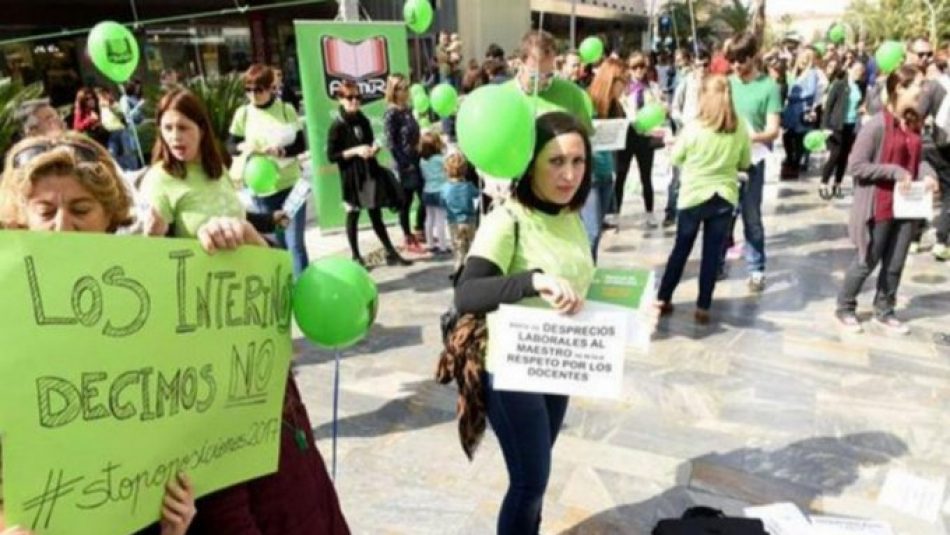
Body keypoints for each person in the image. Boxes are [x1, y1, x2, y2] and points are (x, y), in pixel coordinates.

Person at [0, 132, 211, 535]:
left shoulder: (147, 307)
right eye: (45, 211)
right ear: (20, 218)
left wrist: (173, 522)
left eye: (81, 209)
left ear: (110, 217)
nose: (62, 227)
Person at [454, 111, 594, 535]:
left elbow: (582, 281)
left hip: (558, 363)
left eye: (578, 161)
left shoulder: (571, 216)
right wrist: (532, 280)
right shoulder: (507, 219)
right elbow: (467, 293)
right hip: (511, 369)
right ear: (531, 162)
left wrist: (635, 310)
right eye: (555, 161)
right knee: (529, 480)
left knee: (538, 476)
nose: (568, 174)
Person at [836, 66, 938, 335]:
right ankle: (845, 306)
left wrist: (928, 176)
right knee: (866, 260)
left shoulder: (915, 122)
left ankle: (885, 309)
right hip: (878, 205)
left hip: (908, 205)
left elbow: (921, 159)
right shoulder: (876, 125)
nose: (923, 90)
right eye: (918, 84)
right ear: (899, 88)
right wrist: (893, 171)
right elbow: (856, 166)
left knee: (895, 263)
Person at [656, 75, 751, 324]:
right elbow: (745, 162)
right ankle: (703, 306)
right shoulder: (739, 126)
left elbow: (676, 158)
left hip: (693, 195)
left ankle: (664, 297)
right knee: (712, 254)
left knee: (681, 250)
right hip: (724, 196)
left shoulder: (694, 126)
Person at [228, 63, 311, 277]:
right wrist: (243, 147)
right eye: (248, 89)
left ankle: (303, 290)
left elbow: (301, 144)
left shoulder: (286, 109)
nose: (253, 95)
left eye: (258, 89)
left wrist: (281, 151)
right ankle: (283, 290)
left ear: (270, 88)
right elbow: (230, 144)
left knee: (295, 245)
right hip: (262, 190)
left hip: (291, 185)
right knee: (277, 245)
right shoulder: (243, 114)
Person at [142, 88, 247, 240]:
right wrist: (153, 235)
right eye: (168, 128)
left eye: (182, 128)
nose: (175, 136)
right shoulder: (159, 179)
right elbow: (154, 252)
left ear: (202, 130)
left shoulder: (218, 166)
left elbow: (230, 214)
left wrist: (271, 220)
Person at [721, 33, 782, 293]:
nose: (735, 66)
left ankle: (756, 268)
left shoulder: (769, 87)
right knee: (722, 216)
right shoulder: (726, 84)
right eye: (731, 61)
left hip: (753, 161)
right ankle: (716, 263)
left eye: (740, 61)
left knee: (751, 216)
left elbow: (773, 130)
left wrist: (748, 137)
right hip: (725, 160)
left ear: (752, 56)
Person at [327, 81, 411, 268]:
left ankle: (390, 251)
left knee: (375, 213)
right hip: (351, 176)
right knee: (353, 214)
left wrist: (374, 148)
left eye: (358, 97)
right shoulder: (337, 126)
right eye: (350, 98)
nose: (355, 101)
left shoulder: (363, 120)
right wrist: (356, 150)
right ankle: (356, 256)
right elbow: (332, 156)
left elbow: (370, 141)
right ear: (340, 99)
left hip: (368, 171)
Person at [581, 57, 626, 260]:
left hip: (606, 172)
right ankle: (585, 280)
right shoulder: (587, 103)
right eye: (622, 82)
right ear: (611, 81)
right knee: (590, 233)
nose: (624, 87)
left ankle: (590, 274)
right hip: (589, 175)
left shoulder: (615, 106)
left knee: (597, 232)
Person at [615, 51, 664, 227]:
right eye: (634, 67)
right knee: (621, 174)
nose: (638, 71)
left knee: (646, 176)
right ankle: (615, 212)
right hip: (628, 135)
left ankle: (649, 212)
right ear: (629, 69)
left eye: (642, 67)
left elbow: (659, 109)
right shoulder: (623, 89)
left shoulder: (653, 87)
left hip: (645, 136)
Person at [382, 73, 427, 254]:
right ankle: (408, 236)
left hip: (416, 159)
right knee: (405, 201)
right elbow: (391, 143)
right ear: (393, 91)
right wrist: (402, 163)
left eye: (407, 87)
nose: (406, 91)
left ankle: (418, 228)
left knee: (425, 195)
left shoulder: (407, 110)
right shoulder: (391, 113)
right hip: (404, 163)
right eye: (401, 88)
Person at [666, 49, 711, 227]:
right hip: (685, 133)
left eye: (705, 65)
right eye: (698, 65)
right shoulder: (685, 83)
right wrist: (683, 121)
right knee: (678, 175)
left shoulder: (713, 84)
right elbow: (675, 108)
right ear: (692, 65)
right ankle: (671, 211)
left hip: (706, 135)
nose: (702, 69)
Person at [820, 61, 866, 199]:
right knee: (835, 154)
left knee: (844, 156)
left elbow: (861, 103)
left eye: (861, 71)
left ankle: (838, 184)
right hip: (837, 125)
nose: (859, 73)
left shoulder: (861, 86)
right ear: (849, 69)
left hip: (851, 125)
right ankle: (823, 183)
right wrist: (825, 126)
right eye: (857, 69)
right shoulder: (839, 85)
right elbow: (828, 107)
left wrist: (861, 110)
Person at [781, 48, 821, 180]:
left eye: (806, 59)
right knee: (787, 136)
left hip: (802, 108)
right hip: (791, 109)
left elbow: (810, 91)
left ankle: (796, 162)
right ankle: (791, 158)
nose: (803, 61)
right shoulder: (796, 72)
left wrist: (795, 96)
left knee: (799, 137)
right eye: (802, 58)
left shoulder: (812, 73)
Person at [441, 152, 478, 278]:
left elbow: (442, 202)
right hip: (470, 220)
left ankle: (458, 271)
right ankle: (472, 270)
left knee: (458, 248)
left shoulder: (445, 188)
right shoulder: (468, 186)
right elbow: (477, 194)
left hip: (454, 222)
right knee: (472, 245)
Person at [419, 131, 449, 253]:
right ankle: (443, 246)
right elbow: (447, 171)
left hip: (427, 190)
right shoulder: (440, 159)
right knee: (440, 219)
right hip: (440, 191)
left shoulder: (422, 160)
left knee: (429, 218)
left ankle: (430, 244)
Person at [118, 79, 147, 170]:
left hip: (143, 126)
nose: (138, 89)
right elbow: (128, 115)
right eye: (136, 87)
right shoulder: (124, 99)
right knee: (136, 153)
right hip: (133, 128)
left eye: (139, 87)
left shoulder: (137, 97)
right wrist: (139, 105)